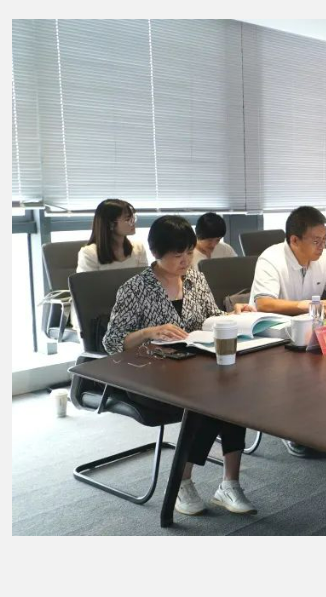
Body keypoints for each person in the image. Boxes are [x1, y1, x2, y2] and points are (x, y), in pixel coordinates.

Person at [103, 215, 257, 516]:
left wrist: (234, 314)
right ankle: (181, 483)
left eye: (189, 252)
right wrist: (149, 332)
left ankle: (230, 484)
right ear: (156, 252)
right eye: (177, 255)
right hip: (149, 378)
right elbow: (112, 342)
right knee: (207, 402)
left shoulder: (196, 279)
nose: (186, 260)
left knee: (233, 393)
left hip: (194, 369)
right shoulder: (135, 288)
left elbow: (210, 317)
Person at [251, 206, 326, 319]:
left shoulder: (324, 256)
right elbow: (264, 304)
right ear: (295, 240)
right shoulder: (270, 258)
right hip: (269, 326)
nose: (322, 246)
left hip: (309, 324)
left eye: (324, 239)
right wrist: (309, 306)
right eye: (316, 241)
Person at [76, 199, 149, 272]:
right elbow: (87, 279)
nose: (133, 222)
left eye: (133, 218)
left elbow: (144, 277)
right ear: (111, 224)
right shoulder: (89, 253)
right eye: (127, 219)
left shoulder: (138, 248)